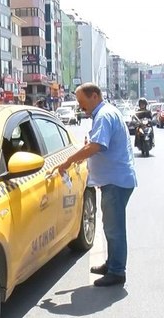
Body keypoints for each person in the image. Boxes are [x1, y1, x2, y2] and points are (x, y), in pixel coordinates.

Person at [54, 83, 137, 287]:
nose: (83, 109)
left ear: (94, 96)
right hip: (114, 179)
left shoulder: (104, 115)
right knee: (110, 226)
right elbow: (96, 146)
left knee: (114, 228)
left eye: (83, 104)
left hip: (115, 181)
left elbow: (97, 145)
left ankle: (117, 271)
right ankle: (112, 263)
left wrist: (69, 161)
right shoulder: (106, 113)